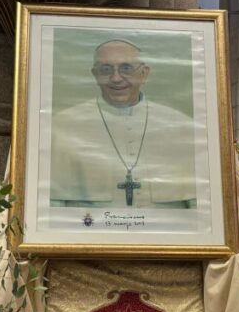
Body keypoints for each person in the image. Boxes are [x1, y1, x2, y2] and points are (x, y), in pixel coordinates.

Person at [49, 39, 198, 209]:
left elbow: (205, 210)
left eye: (126, 68)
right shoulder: (61, 127)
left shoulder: (183, 127)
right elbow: (49, 209)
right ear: (95, 75)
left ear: (144, 74)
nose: (116, 78)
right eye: (106, 70)